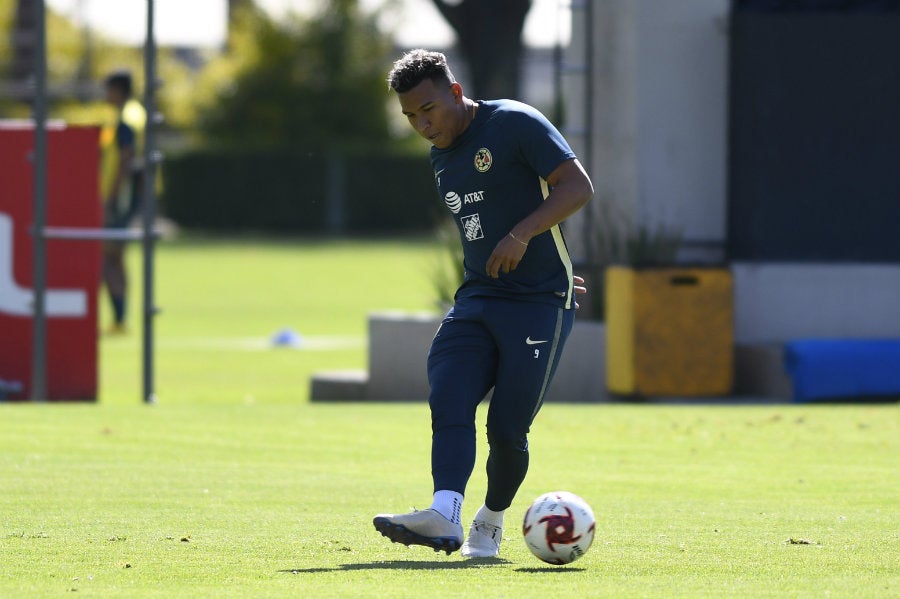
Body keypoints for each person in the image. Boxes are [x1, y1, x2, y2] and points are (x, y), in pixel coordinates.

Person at [373, 50, 594, 558]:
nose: (421, 124)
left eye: (428, 109)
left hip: (540, 305)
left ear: (455, 92)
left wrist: (527, 242)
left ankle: (489, 524)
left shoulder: (514, 122)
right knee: (448, 391)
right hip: (477, 299)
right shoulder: (440, 158)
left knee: (507, 430)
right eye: (410, 117)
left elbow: (577, 186)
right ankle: (444, 514)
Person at [99, 70, 145, 334]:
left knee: (109, 258)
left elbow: (126, 160)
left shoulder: (126, 120)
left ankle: (119, 319)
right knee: (116, 258)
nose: (106, 96)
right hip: (130, 197)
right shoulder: (135, 114)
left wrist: (112, 197)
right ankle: (120, 318)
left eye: (108, 90)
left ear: (118, 90)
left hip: (121, 199)